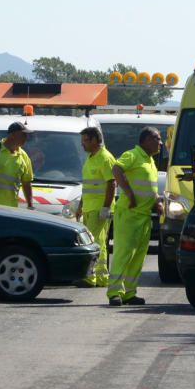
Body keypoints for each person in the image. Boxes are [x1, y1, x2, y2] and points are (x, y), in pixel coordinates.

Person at [107, 127, 163, 306]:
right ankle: (115, 292)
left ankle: (129, 293)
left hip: (144, 216)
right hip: (129, 214)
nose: (160, 143)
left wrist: (157, 203)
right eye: (157, 138)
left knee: (138, 257)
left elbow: (149, 188)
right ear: (146, 140)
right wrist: (129, 194)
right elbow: (116, 169)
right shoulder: (133, 155)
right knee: (123, 253)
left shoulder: (150, 161)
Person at [75, 126, 116, 287]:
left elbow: (111, 184)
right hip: (90, 207)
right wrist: (80, 206)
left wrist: (106, 208)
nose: (82, 145)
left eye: (85, 141)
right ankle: (100, 277)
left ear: (94, 140)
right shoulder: (91, 158)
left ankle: (91, 277)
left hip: (99, 208)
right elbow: (88, 186)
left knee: (94, 242)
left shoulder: (105, 158)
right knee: (98, 242)